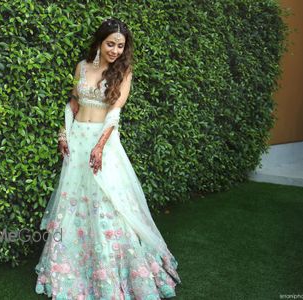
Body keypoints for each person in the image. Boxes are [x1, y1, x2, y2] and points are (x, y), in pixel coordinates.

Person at [35, 18, 181, 299]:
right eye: (110, 44)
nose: (115, 50)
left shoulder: (123, 72)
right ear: (100, 42)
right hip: (77, 142)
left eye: (120, 46)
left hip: (103, 143)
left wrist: (100, 146)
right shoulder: (81, 67)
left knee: (108, 203)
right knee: (73, 202)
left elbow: (114, 113)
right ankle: (68, 267)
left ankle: (112, 269)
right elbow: (73, 103)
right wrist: (63, 134)